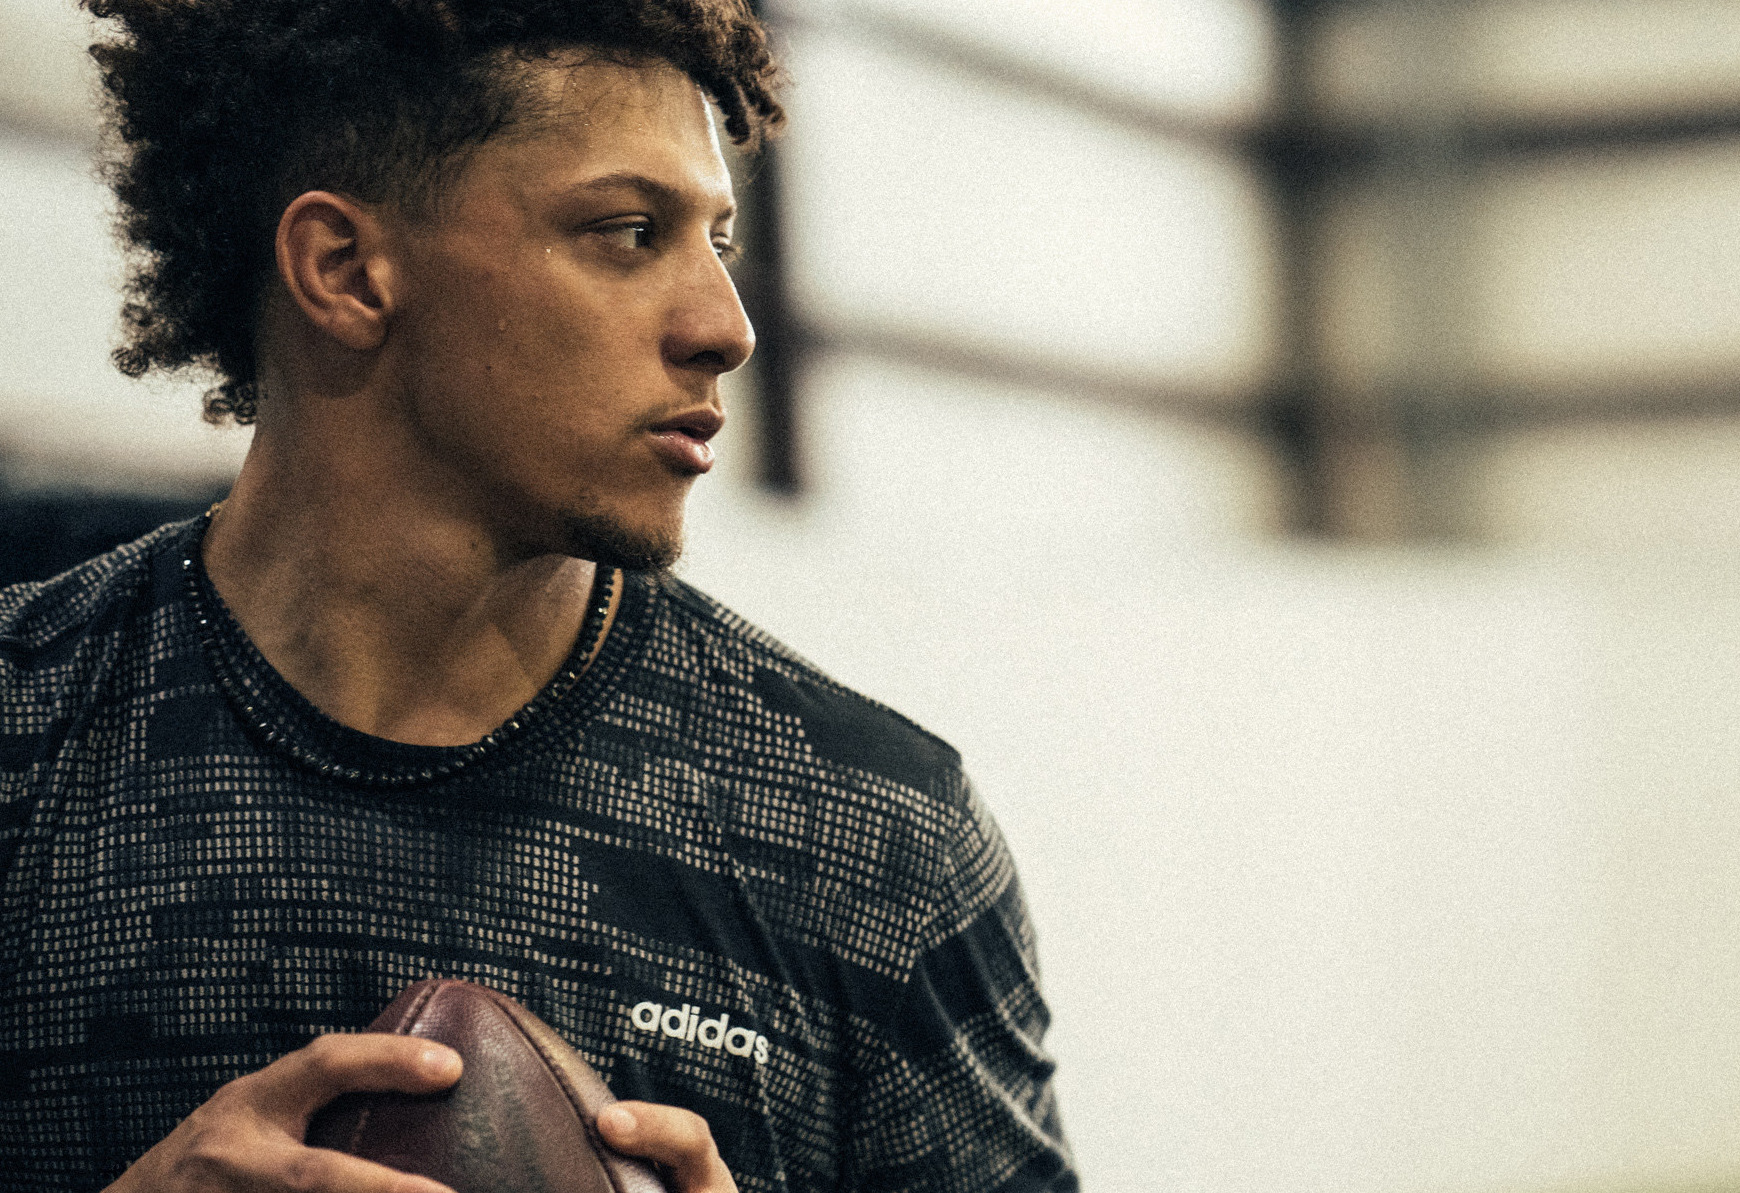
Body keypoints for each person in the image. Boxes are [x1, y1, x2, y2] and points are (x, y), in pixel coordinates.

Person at [0, 0, 1076, 1189]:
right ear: (345, 269)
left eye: (716, 242)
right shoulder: (24, 739)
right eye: (628, 232)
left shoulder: (867, 839)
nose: (725, 327)